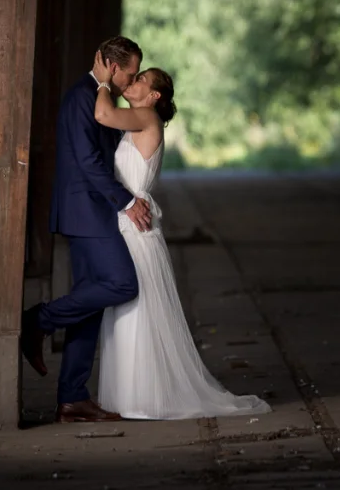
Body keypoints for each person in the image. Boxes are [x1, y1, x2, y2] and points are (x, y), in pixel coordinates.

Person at [88, 51, 272, 419]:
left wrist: (103, 79)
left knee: (135, 309)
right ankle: (132, 396)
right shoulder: (141, 119)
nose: (134, 81)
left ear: (154, 95)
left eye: (141, 79)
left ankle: (144, 397)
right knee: (129, 310)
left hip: (135, 226)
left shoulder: (144, 116)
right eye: (134, 76)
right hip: (129, 221)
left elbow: (102, 114)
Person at [20, 36, 152, 423]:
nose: (131, 81)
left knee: (89, 304)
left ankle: (72, 398)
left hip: (94, 211)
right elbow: (91, 163)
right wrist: (127, 203)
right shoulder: (82, 96)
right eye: (130, 73)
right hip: (87, 211)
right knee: (123, 284)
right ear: (114, 67)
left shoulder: (102, 99)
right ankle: (38, 320)